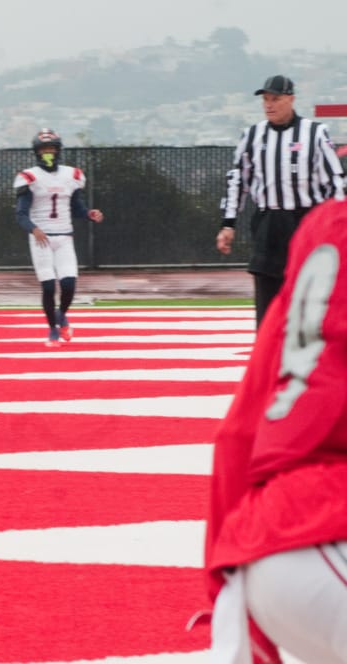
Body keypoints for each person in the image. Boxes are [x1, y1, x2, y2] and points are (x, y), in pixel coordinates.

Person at [204, 198, 347, 662]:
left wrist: (227, 585)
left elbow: (238, 433)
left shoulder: (324, 225)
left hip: (267, 545)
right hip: (329, 524)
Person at [217, 74, 345, 327]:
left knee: (308, 295)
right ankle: (266, 347)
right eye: (265, 99)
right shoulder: (252, 136)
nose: (269, 105)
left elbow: (336, 181)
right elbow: (238, 180)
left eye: (275, 99)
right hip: (268, 223)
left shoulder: (315, 133)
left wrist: (338, 224)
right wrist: (228, 224)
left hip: (304, 222)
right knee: (267, 299)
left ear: (290, 99)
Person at [13, 129, 104, 347]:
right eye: (44, 149)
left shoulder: (71, 175)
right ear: (37, 152)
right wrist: (34, 229)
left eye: (51, 148)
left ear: (58, 150)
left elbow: (77, 207)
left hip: (64, 236)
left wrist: (89, 214)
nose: (48, 152)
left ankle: (60, 315)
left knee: (69, 283)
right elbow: (21, 214)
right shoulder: (30, 177)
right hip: (41, 238)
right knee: (48, 287)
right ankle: (53, 330)